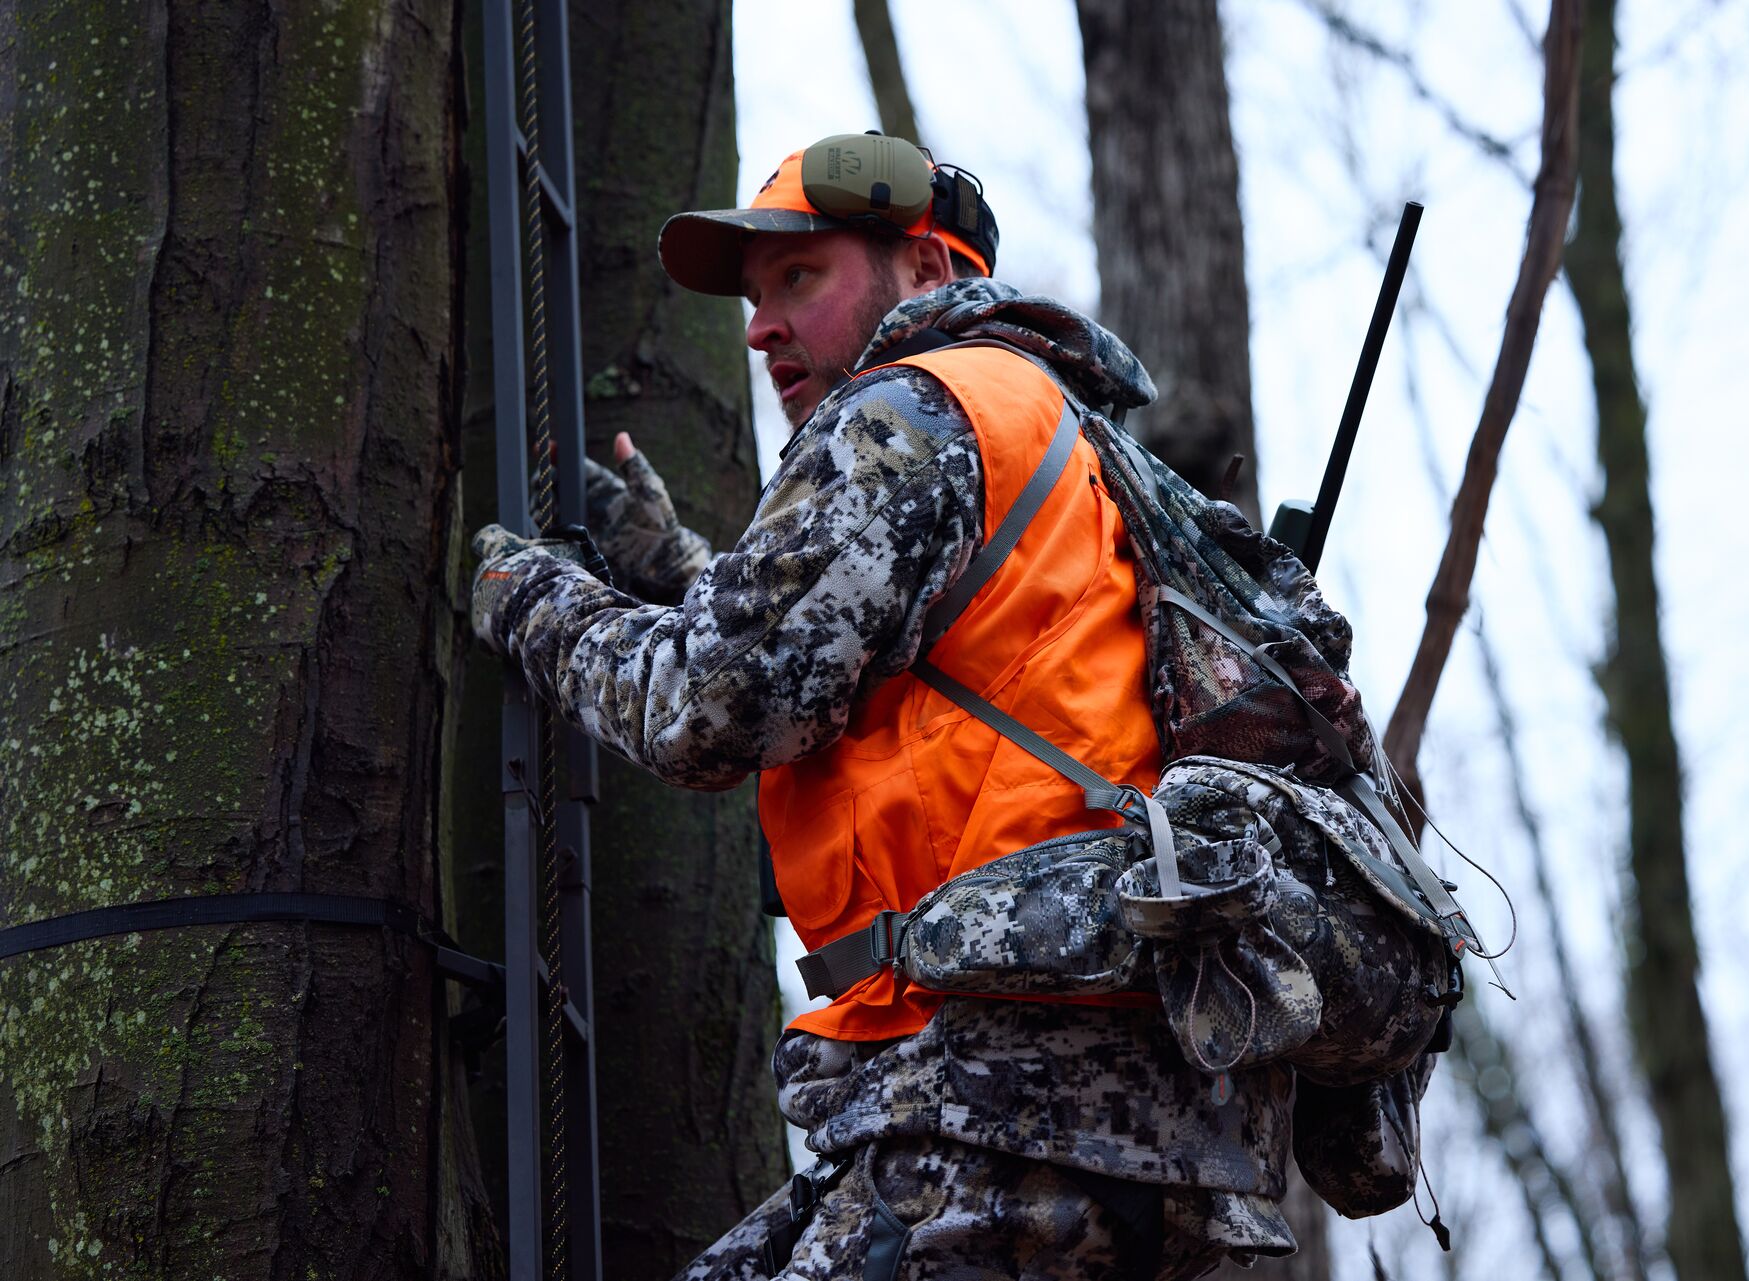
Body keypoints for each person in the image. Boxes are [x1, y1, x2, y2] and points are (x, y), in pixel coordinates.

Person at [470, 133, 1296, 1279]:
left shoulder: (911, 407)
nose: (761, 327)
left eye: (800, 278)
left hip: (1009, 1102)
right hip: (1112, 1111)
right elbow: (912, 689)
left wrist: (526, 600)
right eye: (755, 297)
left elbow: (712, 706)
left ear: (926, 271)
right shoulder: (1053, 428)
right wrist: (676, 574)